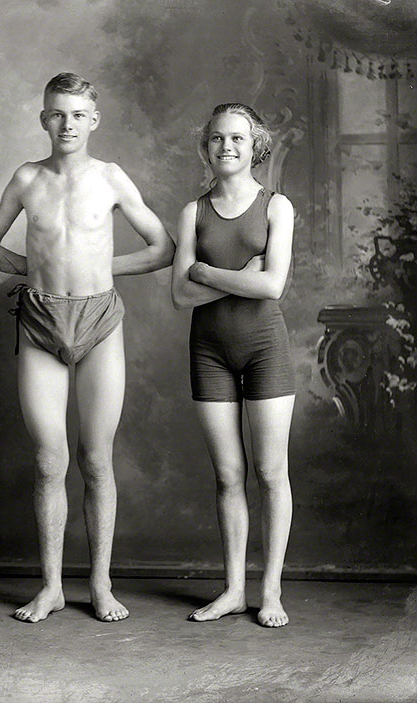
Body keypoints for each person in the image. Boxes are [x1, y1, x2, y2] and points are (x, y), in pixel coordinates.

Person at [0, 73, 174, 623]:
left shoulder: (111, 178)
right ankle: (50, 587)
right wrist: (31, 268)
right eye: (56, 114)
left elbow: (162, 248)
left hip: (98, 321)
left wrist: (97, 267)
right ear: (43, 119)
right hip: (40, 320)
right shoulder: (26, 178)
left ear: (94, 120)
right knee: (48, 461)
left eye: (77, 115)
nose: (67, 124)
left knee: (96, 458)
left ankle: (101, 584)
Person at [171, 103, 296, 628]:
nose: (227, 147)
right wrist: (232, 272)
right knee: (228, 476)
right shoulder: (191, 212)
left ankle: (271, 593)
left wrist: (204, 270)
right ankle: (234, 590)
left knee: (270, 473)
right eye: (218, 138)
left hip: (266, 349)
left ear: (255, 147)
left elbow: (272, 286)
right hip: (210, 353)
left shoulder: (277, 206)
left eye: (237, 139)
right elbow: (180, 295)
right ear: (207, 146)